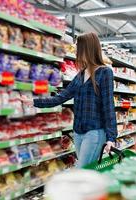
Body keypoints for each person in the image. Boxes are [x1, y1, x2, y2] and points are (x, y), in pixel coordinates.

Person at [20, 32, 117, 168]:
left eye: (78, 46)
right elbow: (61, 97)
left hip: (94, 132)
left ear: (87, 48)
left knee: (82, 170)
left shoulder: (104, 72)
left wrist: (111, 138)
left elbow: (108, 106)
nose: (76, 49)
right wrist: (34, 101)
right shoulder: (80, 75)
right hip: (78, 132)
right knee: (87, 172)